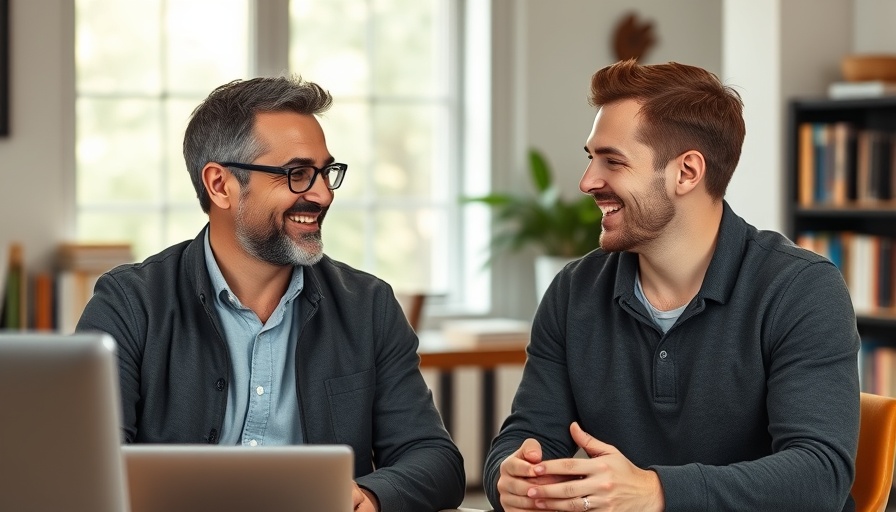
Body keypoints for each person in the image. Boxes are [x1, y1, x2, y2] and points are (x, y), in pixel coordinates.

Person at [483, 59, 860, 512]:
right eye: (591, 159)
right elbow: (529, 435)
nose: (587, 182)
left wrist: (656, 492)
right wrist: (513, 474)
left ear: (686, 172)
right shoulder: (573, 291)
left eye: (613, 162)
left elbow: (819, 477)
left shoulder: (800, 290)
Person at [76, 75, 465, 512]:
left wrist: (371, 496)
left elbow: (436, 461)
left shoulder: (368, 306)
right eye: (296, 174)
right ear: (220, 185)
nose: (321, 194)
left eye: (325, 172)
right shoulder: (129, 305)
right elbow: (87, 470)